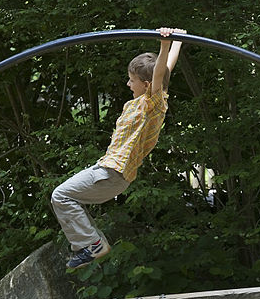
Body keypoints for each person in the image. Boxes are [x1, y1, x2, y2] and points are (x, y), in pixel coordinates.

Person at [51, 27, 186, 269]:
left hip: (111, 172)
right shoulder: (146, 101)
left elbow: (159, 76)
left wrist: (164, 46)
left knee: (61, 195)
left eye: (131, 80)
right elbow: (165, 72)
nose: (127, 83)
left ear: (145, 85)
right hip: (112, 173)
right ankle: (90, 243)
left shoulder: (151, 105)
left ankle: (92, 244)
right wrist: (177, 42)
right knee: (66, 197)